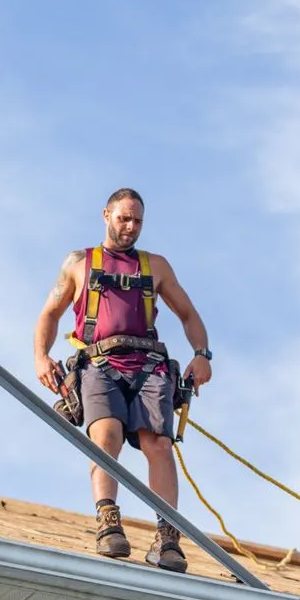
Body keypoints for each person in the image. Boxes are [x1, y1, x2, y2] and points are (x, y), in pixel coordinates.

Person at [33, 187, 213, 573]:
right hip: (100, 363)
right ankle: (108, 522)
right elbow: (50, 313)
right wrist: (41, 357)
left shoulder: (156, 266)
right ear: (106, 215)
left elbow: (188, 314)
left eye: (137, 221)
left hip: (149, 365)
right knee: (106, 435)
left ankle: (168, 536)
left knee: (159, 444)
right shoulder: (79, 262)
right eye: (124, 219)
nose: (131, 227)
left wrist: (201, 354)